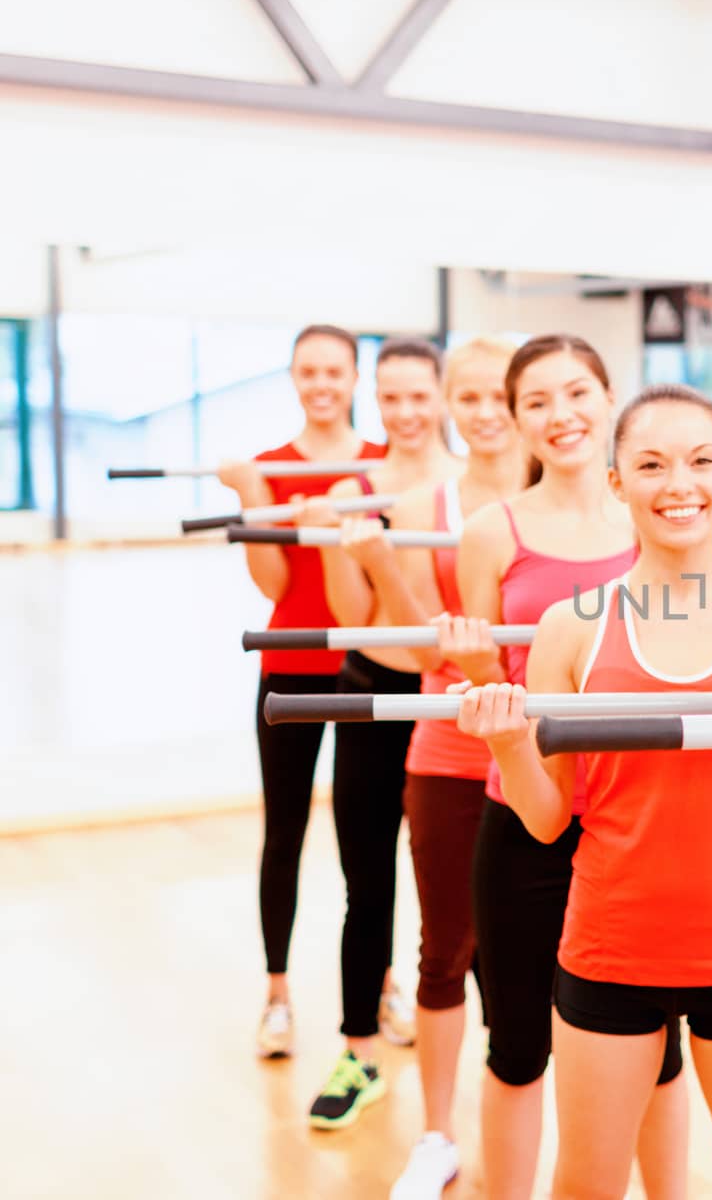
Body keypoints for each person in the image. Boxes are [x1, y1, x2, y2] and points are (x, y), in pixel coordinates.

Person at [455, 385, 712, 1200]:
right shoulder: (573, 627)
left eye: (702, 461)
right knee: (587, 1187)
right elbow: (549, 814)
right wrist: (505, 741)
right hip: (611, 949)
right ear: (615, 480)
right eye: (652, 464)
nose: (680, 484)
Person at [441, 335, 687, 1199]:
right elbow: (487, 688)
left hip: (640, 819)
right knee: (516, 1045)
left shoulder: (654, 511)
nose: (561, 416)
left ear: (608, 395)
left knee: (658, 1050)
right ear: (514, 419)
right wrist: (475, 670)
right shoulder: (489, 531)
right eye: (536, 401)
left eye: (577, 393)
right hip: (527, 813)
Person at [328, 337, 527, 1196]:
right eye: (469, 398)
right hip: (448, 751)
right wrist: (372, 559)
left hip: (551, 752)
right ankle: (438, 1134)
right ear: (449, 403)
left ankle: (531, 1121)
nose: (485, 413)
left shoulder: (562, 499)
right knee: (444, 948)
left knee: (550, 957)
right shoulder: (421, 502)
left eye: (499, 397)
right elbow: (413, 654)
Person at [295, 336, 464, 1131]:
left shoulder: (471, 492)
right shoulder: (354, 489)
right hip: (370, 692)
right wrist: (333, 537)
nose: (402, 413)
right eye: (389, 398)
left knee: (465, 891)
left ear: (441, 397)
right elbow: (351, 618)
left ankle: (499, 1055)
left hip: (448, 702)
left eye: (417, 396)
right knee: (368, 885)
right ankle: (358, 1050)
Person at [214, 323, 385, 1063]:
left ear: (354, 379)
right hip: (289, 668)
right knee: (283, 835)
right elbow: (276, 586)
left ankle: (377, 989)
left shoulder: (383, 466)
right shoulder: (270, 468)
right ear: (293, 378)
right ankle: (278, 995)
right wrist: (254, 501)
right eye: (308, 372)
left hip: (369, 671)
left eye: (334, 371)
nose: (322, 384)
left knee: (368, 850)